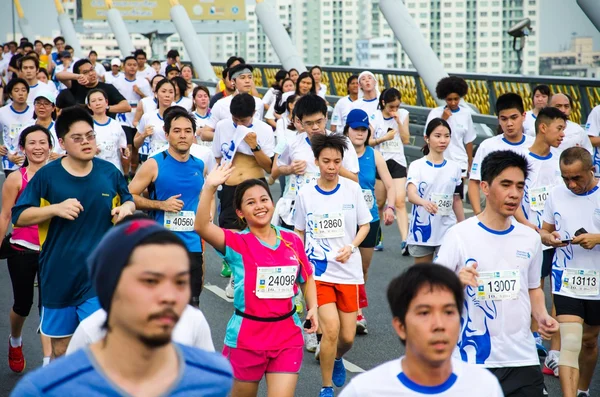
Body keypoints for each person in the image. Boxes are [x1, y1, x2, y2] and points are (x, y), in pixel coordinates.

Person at [10, 218, 233, 396]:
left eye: (180, 282)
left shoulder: (215, 378)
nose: (169, 296)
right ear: (110, 285)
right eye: (150, 281)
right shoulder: (47, 389)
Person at [11, 106, 135, 358]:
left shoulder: (109, 172)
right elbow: (19, 217)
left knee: (99, 347)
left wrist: (126, 208)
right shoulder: (48, 175)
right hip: (58, 276)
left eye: (90, 136)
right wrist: (55, 209)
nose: (86, 142)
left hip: (97, 276)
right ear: (62, 142)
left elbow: (129, 198)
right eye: (77, 138)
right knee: (61, 349)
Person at [436, 150, 559, 396]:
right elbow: (430, 293)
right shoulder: (459, 236)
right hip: (473, 360)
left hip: (522, 359)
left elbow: (533, 287)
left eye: (520, 186)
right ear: (485, 187)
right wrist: (455, 281)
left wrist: (543, 315)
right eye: (505, 185)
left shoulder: (530, 239)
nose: (514, 193)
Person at [195, 164, 318, 397]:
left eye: (264, 200)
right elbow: (201, 226)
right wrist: (210, 187)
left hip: (287, 336)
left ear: (272, 203)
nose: (260, 206)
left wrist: (313, 307)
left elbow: (306, 276)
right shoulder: (235, 242)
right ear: (240, 213)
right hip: (246, 338)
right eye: (250, 203)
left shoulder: (292, 239)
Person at [339, 264, 504, 396]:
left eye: (448, 312)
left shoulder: (484, 387)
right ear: (400, 327)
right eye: (424, 313)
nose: (439, 324)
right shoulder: (365, 390)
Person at [294, 134, 372, 397]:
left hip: (348, 272)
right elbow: (299, 232)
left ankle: (337, 357)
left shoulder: (352, 189)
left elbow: (365, 225)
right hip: (320, 273)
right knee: (330, 330)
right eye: (326, 161)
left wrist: (351, 247)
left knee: (347, 337)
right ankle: (326, 387)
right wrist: (300, 265)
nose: (331, 166)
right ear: (316, 161)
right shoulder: (305, 194)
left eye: (337, 161)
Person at [129, 106, 212, 307]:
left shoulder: (199, 165)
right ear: (166, 134)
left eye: (187, 131)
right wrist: (161, 205)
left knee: (191, 305)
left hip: (192, 244)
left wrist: (207, 218)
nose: (182, 136)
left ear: (194, 135)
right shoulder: (154, 164)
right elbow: (129, 196)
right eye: (176, 131)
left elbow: (202, 197)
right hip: (161, 245)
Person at [539, 147, 600, 397]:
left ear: (592, 170)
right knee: (571, 342)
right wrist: (548, 238)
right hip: (566, 278)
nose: (571, 184)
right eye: (566, 178)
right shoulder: (555, 194)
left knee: (588, 342)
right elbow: (544, 232)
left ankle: (583, 390)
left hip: (597, 281)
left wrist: (597, 238)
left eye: (577, 178)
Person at [512, 107, 567, 374]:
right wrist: (532, 228)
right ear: (543, 127)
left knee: (560, 291)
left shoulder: (561, 159)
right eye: (559, 128)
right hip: (531, 237)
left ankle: (555, 352)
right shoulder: (521, 159)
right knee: (534, 289)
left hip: (560, 238)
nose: (563, 134)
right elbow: (515, 201)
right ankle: (532, 338)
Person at [0, 125, 53, 372]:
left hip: (52, 250)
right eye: (32, 143)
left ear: (50, 146)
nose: (38, 147)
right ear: (23, 148)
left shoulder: (59, 175)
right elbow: (5, 215)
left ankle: (48, 364)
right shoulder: (15, 178)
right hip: (22, 248)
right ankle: (16, 340)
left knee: (49, 306)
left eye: (43, 142)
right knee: (23, 305)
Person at [211, 93, 275, 297]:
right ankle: (237, 271)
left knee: (256, 230)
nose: (238, 123)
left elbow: (269, 166)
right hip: (230, 187)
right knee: (229, 230)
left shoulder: (263, 129)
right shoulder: (222, 126)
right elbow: (217, 157)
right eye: (235, 119)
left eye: (243, 120)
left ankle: (254, 273)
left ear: (253, 115)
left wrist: (254, 145)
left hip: (254, 184)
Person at [343, 109, 396, 335]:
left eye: (364, 130)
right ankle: (350, 311)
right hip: (345, 218)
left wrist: (391, 206)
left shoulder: (374, 155)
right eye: (356, 129)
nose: (360, 133)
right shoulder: (340, 152)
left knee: (362, 268)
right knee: (344, 264)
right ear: (347, 129)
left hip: (369, 218)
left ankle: (355, 308)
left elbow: (390, 184)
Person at [468, 93, 535, 215]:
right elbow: (474, 182)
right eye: (504, 119)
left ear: (524, 116)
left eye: (514, 117)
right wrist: (478, 214)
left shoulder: (535, 145)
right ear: (498, 119)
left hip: (532, 218)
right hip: (497, 219)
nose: (509, 123)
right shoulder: (488, 146)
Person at [407, 118, 462, 264]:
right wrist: (424, 202)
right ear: (427, 138)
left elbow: (456, 199)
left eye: (447, 136)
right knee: (422, 277)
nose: (443, 140)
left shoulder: (455, 168)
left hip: (447, 228)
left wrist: (463, 226)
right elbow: (411, 194)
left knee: (443, 276)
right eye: (437, 136)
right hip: (422, 229)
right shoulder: (417, 166)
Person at [424, 76, 476, 219]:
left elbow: (469, 140)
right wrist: (443, 118)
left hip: (459, 161)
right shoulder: (435, 113)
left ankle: (460, 226)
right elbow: (427, 135)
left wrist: (470, 162)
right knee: (438, 195)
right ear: (444, 98)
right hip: (439, 160)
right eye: (449, 99)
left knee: (456, 196)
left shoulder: (466, 114)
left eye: (456, 99)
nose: (453, 102)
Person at [370, 87, 411, 251]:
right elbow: (368, 142)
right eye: (391, 107)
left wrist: (399, 121)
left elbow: (406, 139)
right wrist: (383, 139)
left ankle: (405, 241)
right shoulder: (375, 117)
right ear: (383, 103)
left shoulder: (403, 114)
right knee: (380, 203)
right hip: (381, 161)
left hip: (398, 161)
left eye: (397, 106)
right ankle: (377, 236)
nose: (394, 110)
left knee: (400, 201)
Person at [113, 55, 153, 176]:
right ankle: (125, 174)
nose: (132, 67)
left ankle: (133, 173)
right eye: (129, 65)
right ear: (123, 67)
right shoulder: (116, 82)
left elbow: (150, 99)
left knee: (136, 148)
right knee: (127, 146)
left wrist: (139, 92)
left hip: (138, 117)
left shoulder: (143, 82)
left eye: (134, 65)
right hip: (123, 117)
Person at [202, 64, 265, 138]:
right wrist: (227, 137)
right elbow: (204, 134)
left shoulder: (259, 103)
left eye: (250, 77)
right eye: (242, 78)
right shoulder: (221, 104)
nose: (247, 81)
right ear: (233, 81)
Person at [56, 59, 131, 119]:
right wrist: (77, 77)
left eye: (92, 69)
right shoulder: (76, 86)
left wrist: (105, 108)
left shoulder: (108, 88)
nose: (91, 73)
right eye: (86, 72)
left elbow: (126, 107)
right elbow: (59, 76)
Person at [86, 89, 129, 173]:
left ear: (106, 102)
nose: (97, 103)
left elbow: (123, 147)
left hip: (114, 170)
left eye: (100, 100)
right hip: (92, 170)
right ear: (89, 105)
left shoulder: (116, 125)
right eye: (93, 101)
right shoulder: (86, 125)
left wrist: (125, 152)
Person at [134, 79, 176, 159]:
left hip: (175, 160)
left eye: (171, 92)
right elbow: (136, 143)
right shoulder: (148, 116)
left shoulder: (180, 116)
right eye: (163, 91)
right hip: (154, 160)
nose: (167, 95)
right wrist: (144, 135)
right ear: (156, 94)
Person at [0, 78, 32, 176]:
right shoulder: (2, 112)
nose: (21, 93)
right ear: (10, 94)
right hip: (10, 160)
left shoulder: (34, 111)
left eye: (23, 90)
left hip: (31, 159)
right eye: (16, 90)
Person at [19, 91, 65, 160]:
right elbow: (17, 150)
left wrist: (61, 157)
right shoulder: (26, 128)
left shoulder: (61, 128)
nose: (41, 107)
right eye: (38, 103)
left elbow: (71, 151)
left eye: (46, 104)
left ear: (53, 108)